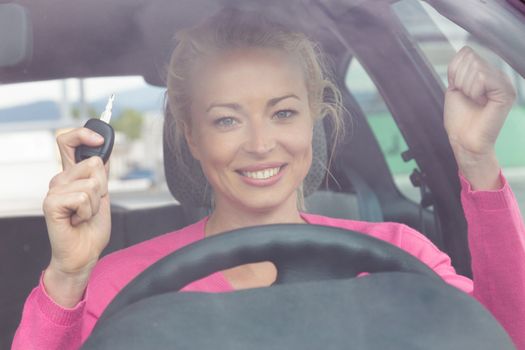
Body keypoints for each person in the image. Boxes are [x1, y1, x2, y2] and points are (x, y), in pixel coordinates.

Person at [12, 8, 525, 349]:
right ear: (191, 137)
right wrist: (69, 274)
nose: (260, 144)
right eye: (227, 120)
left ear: (315, 120)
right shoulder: (114, 283)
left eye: (282, 113)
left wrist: (477, 158)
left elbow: (504, 335)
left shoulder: (403, 256)